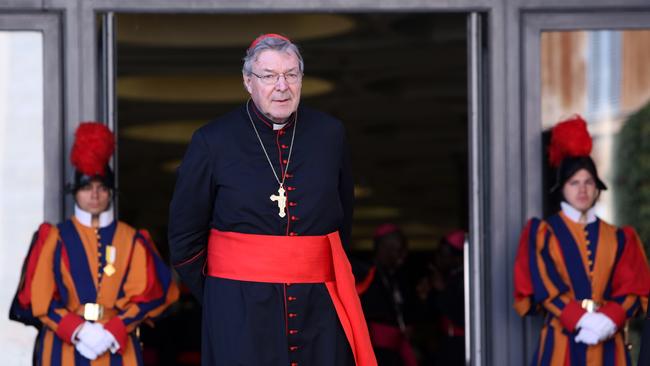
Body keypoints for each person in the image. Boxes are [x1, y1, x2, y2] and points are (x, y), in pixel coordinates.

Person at [168, 34, 376, 366]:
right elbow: (183, 237)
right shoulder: (212, 140)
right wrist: (223, 296)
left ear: (301, 79)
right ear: (248, 82)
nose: (282, 86)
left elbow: (342, 221)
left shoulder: (329, 134)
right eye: (269, 76)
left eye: (291, 74)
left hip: (318, 305)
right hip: (239, 305)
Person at [10, 122, 179, 365]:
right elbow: (40, 298)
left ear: (111, 192)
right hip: (63, 345)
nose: (95, 194)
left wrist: (114, 329)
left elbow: (149, 294)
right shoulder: (55, 236)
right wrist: (77, 330)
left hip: (117, 343)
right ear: (75, 191)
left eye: (102, 187)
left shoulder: (132, 239)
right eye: (87, 187)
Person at [513, 115, 650, 365]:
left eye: (588, 182)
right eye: (574, 182)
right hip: (561, 343)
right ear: (562, 188)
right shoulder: (544, 232)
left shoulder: (619, 237)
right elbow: (546, 287)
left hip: (610, 341)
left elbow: (632, 287)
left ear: (597, 187)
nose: (582, 189)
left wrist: (609, 319)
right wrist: (582, 319)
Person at [355, 223, 418, 366]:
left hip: (395, 352)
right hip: (374, 351)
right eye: (399, 250)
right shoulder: (365, 274)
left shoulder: (398, 276)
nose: (404, 254)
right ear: (384, 249)